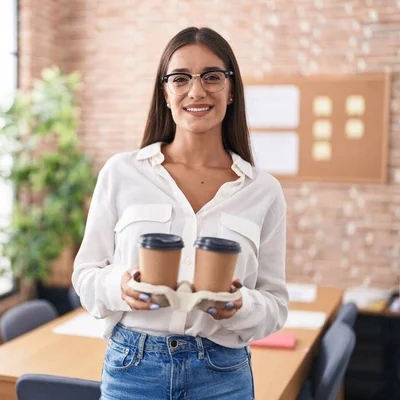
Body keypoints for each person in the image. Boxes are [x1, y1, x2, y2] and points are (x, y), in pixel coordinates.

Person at [72, 26, 288, 400]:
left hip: (223, 373)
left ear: (231, 89)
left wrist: (241, 305)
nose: (197, 90)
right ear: (165, 92)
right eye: (181, 78)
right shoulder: (122, 172)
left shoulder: (262, 191)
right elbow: (85, 274)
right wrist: (119, 287)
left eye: (212, 76)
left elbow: (275, 304)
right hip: (133, 370)